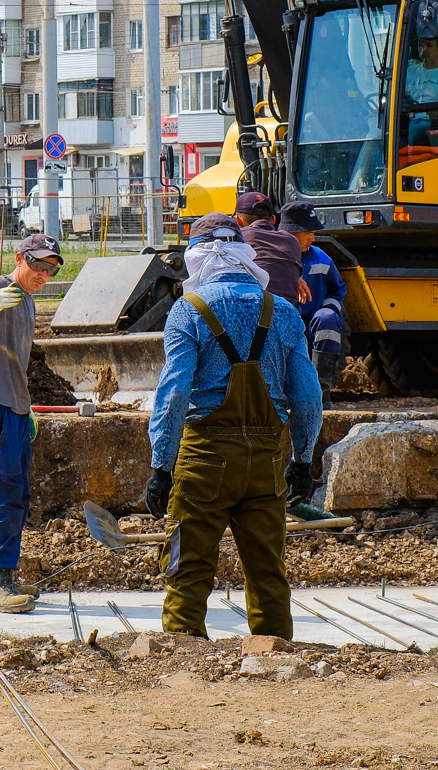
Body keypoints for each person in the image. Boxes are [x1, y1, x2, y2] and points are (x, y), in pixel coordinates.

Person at [147, 212, 322, 639]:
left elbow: (173, 395)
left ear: (197, 257)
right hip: (264, 462)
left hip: (204, 460)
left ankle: (182, 660)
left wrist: (161, 466)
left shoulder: (188, 312)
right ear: (244, 254)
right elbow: (307, 395)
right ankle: (274, 659)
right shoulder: (281, 311)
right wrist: (303, 458)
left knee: (187, 568)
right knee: (268, 573)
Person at [0, 232, 64, 614]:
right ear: (21, 258)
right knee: (1, 496)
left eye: (51, 270)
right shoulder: (0, 287)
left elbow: (14, 363)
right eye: (38, 266)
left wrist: (26, 407)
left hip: (14, 407)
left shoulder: (28, 302)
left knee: (17, 496)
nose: (43, 275)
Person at [280, 201, 347, 398]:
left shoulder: (321, 258)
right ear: (290, 233)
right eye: (307, 232)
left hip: (311, 326)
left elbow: (337, 290)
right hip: (283, 327)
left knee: (327, 318)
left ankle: (320, 389)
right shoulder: (274, 257)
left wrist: (328, 310)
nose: (313, 238)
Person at [234, 190, 304, 307]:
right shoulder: (292, 241)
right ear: (273, 220)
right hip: (288, 317)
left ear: (238, 220)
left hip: (250, 315)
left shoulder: (238, 238)